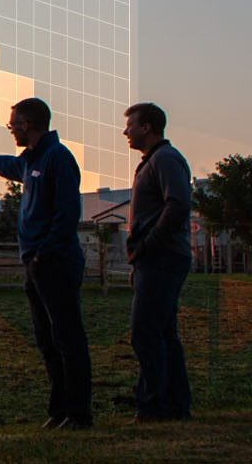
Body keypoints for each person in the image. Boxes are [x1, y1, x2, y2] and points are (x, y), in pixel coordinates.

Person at [0, 98, 91, 430]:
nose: (11, 129)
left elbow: (66, 214)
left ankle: (79, 413)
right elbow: (11, 166)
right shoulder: (33, 159)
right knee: (47, 339)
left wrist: (41, 252)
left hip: (55, 262)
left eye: (13, 124)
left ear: (28, 123)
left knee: (67, 338)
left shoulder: (57, 158)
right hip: (37, 264)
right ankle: (60, 409)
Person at [121, 102, 193, 424]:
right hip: (155, 259)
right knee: (163, 333)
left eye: (130, 125)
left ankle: (152, 407)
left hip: (163, 257)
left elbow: (177, 204)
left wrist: (148, 246)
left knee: (144, 333)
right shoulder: (154, 161)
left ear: (147, 127)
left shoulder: (165, 159)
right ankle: (176, 406)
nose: (126, 131)